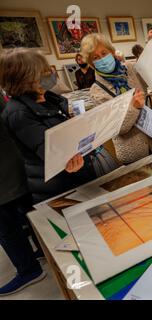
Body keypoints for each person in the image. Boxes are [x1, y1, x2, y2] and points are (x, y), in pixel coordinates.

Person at [0, 48, 99, 204]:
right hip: (59, 190)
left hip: (81, 179)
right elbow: (54, 153)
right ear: (23, 79)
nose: (49, 75)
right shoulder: (18, 112)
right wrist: (68, 159)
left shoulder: (50, 97)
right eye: (42, 73)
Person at [80, 33, 152, 164]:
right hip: (134, 153)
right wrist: (134, 107)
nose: (102, 59)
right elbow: (117, 128)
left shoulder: (129, 69)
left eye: (104, 53)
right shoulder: (97, 91)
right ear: (91, 63)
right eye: (96, 57)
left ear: (112, 52)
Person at [0, 117, 46, 296]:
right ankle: (43, 251)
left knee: (7, 228)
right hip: (14, 162)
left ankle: (29, 270)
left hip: (5, 176)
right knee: (30, 212)